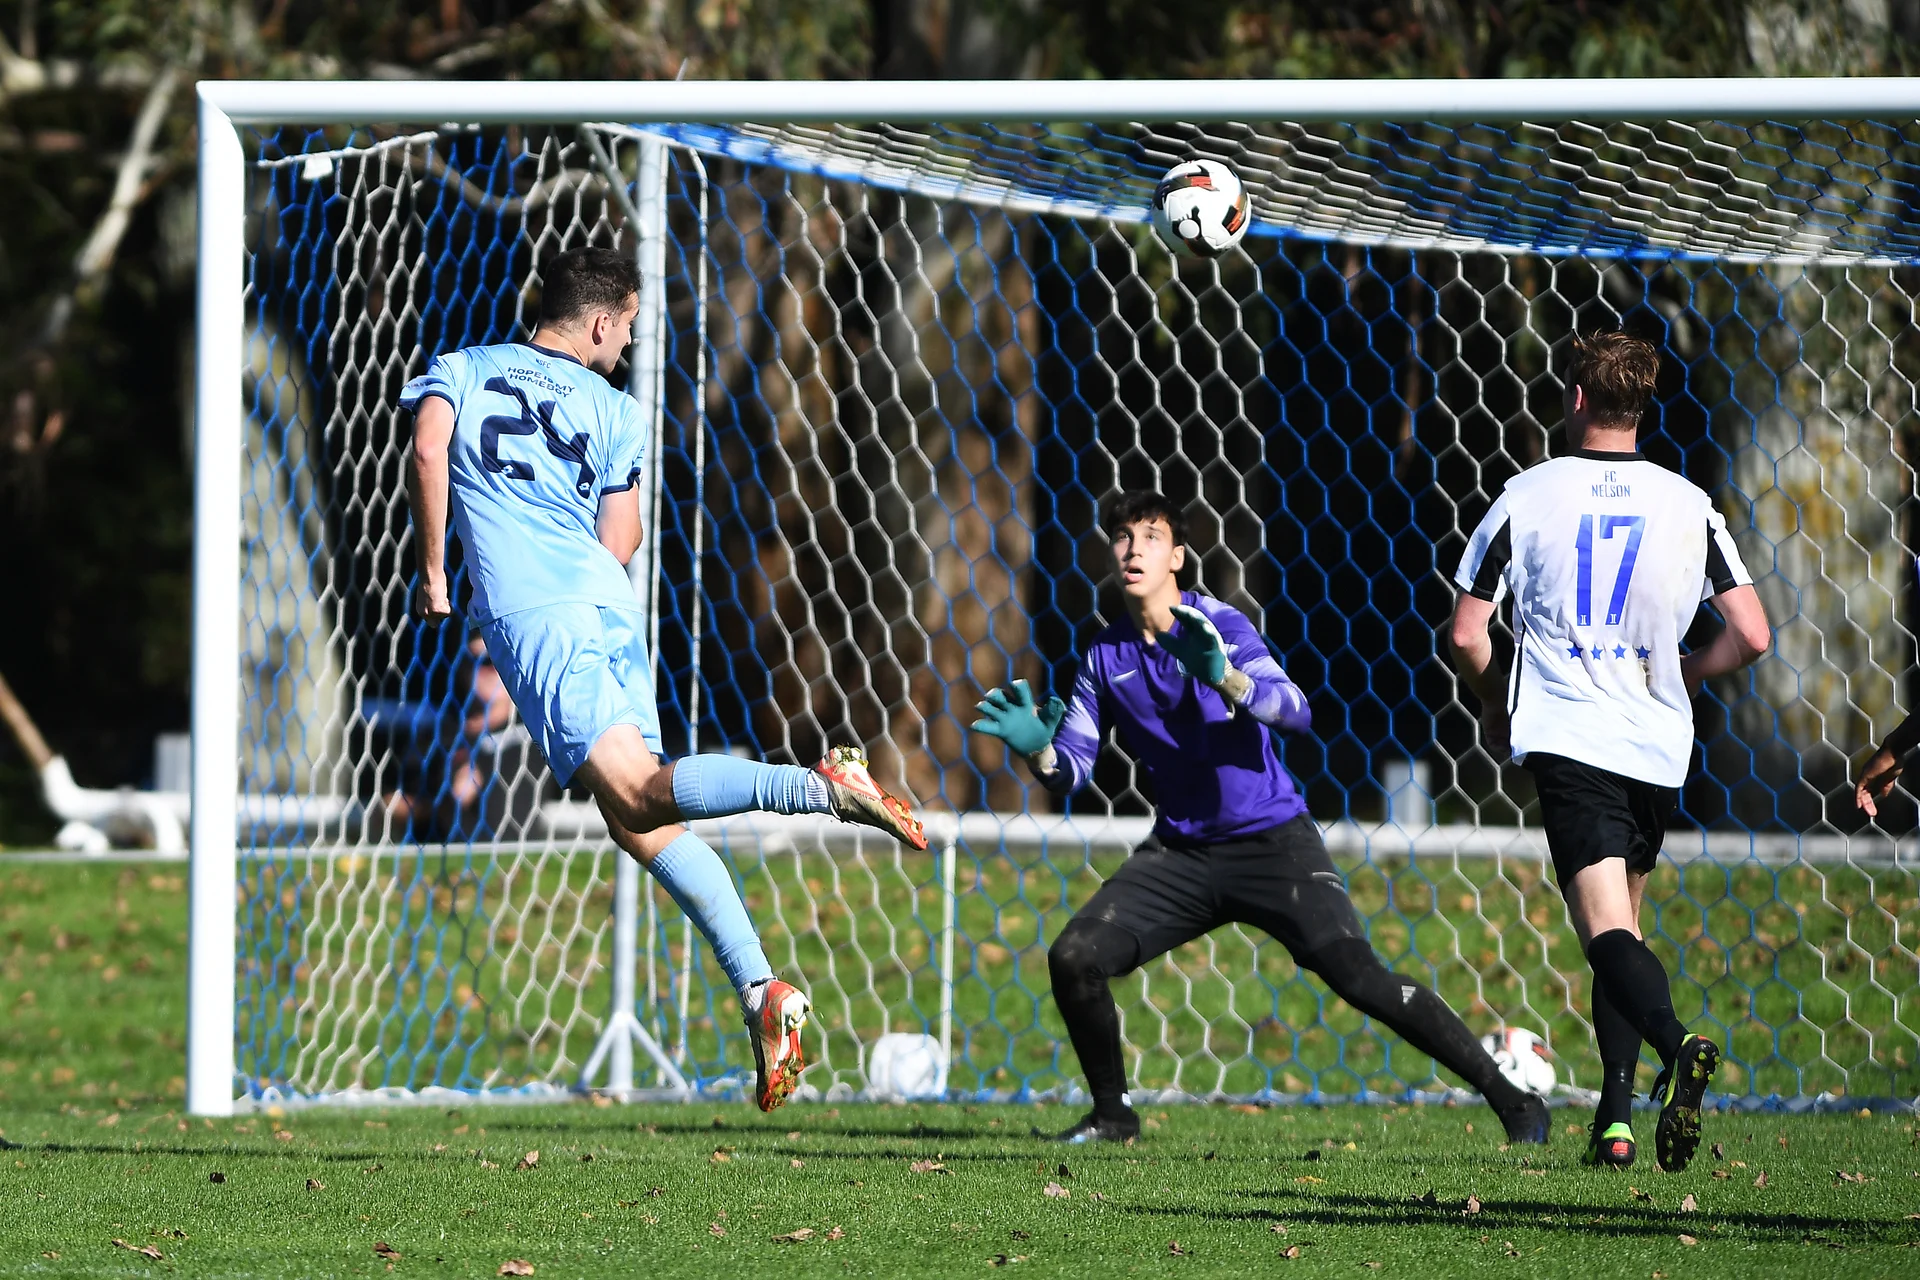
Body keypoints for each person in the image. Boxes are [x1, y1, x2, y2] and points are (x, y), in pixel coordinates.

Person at [401, 246, 926, 1111]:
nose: (626, 343)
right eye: (630, 328)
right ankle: (764, 995)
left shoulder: (464, 368)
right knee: (636, 822)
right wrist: (581, 594)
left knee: (641, 795)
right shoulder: (616, 408)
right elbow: (625, 535)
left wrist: (435, 574)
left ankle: (822, 786)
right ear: (602, 321)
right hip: (608, 607)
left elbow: (429, 455)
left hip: (539, 614)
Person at [971, 490, 1551, 1145]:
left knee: (1360, 978)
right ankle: (1114, 1118)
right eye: (1124, 537)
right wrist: (1037, 751)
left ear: (1178, 557)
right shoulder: (1105, 658)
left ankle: (1514, 1101)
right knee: (1074, 955)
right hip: (1182, 854)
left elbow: (1296, 709)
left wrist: (1226, 677)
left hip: (1272, 841)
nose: (1134, 549)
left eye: (1152, 537)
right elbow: (1070, 769)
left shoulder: (1215, 627)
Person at [1448, 330, 1770, 1172]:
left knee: (1603, 935)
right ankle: (1615, 1122)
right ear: (1639, 406)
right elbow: (1754, 635)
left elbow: (1467, 632)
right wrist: (1688, 671)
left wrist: (1495, 702)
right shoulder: (1688, 502)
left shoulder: (1528, 495)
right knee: (1624, 926)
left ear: (1578, 399)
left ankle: (1678, 1042)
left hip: (1571, 736)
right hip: (1658, 744)